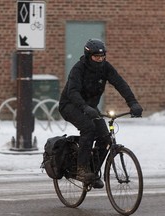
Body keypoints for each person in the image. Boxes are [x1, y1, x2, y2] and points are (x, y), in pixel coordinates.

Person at [59, 39, 143, 188]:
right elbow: (72, 92)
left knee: (105, 138)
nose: (99, 59)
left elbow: (120, 84)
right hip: (70, 105)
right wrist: (84, 107)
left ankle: (92, 171)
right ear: (88, 55)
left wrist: (133, 103)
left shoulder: (105, 68)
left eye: (102, 56)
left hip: (90, 107)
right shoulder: (78, 69)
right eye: (96, 57)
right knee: (88, 128)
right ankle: (81, 169)